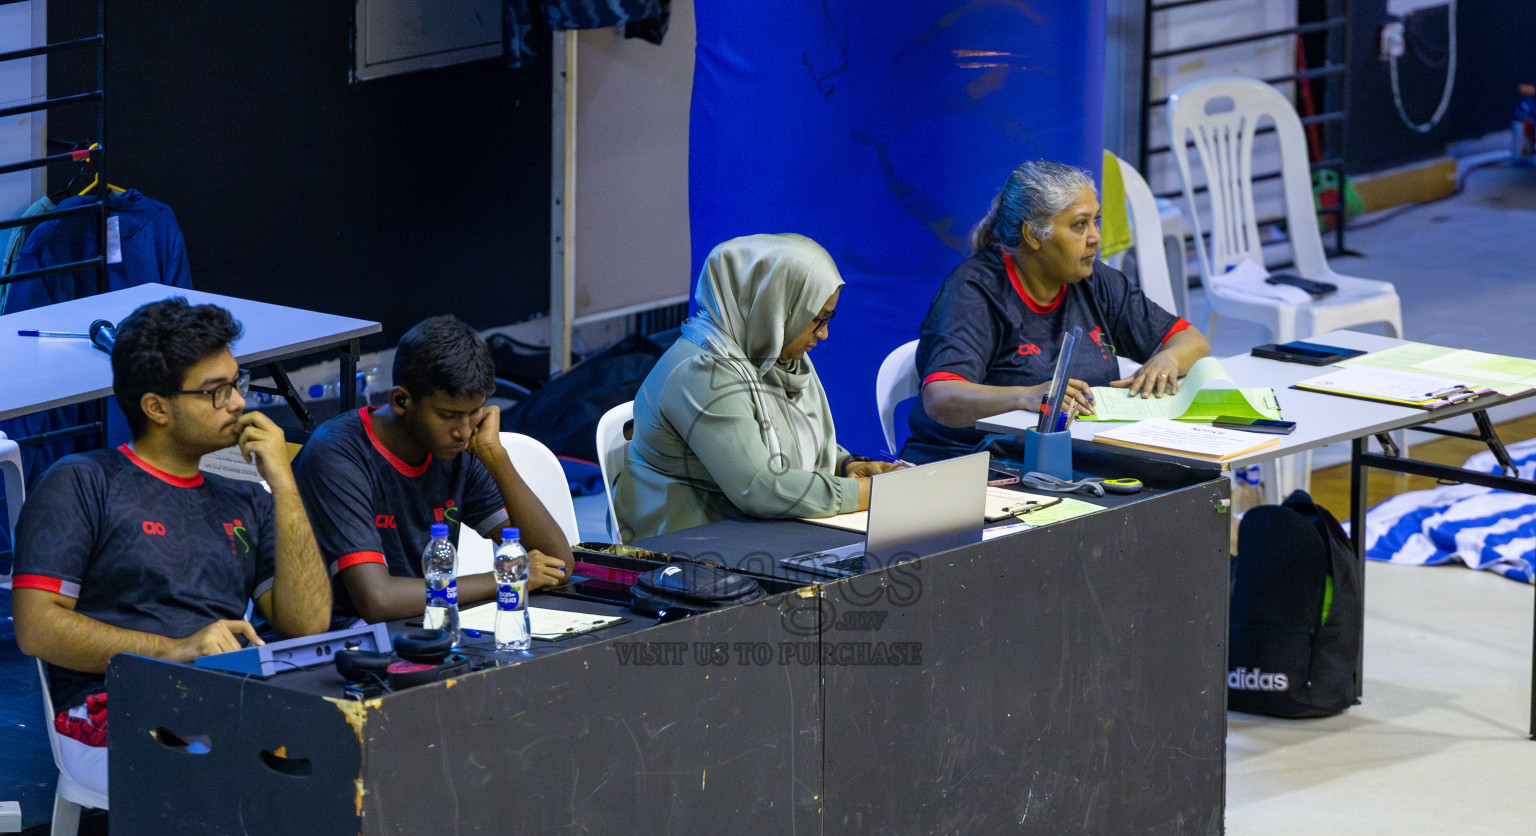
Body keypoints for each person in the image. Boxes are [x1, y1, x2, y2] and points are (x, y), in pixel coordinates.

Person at [11, 298, 332, 794]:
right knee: (251, 771)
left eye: (237, 383)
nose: (239, 403)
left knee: (348, 751)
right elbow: (36, 628)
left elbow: (308, 623)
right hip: (113, 706)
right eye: (216, 393)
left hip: (224, 701)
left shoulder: (248, 499)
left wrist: (284, 484)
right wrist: (178, 651)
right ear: (156, 407)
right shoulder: (82, 481)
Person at [903, 159, 1211, 462]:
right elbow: (941, 398)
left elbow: (1193, 342)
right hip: (977, 462)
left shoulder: (1093, 279)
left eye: (1096, 221)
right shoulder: (973, 292)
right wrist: (1025, 396)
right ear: (1033, 235)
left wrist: (1167, 359)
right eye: (1080, 225)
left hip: (1075, 455)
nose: (1095, 237)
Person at [293, 315, 574, 626]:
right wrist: (504, 578)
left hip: (424, 623)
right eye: (448, 415)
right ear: (401, 401)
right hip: (338, 642)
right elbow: (377, 600)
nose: (465, 432)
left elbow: (557, 565)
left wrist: (496, 457)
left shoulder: (460, 450)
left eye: (473, 413)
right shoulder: (337, 454)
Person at [614, 233, 896, 541]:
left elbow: (782, 435)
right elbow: (759, 487)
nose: (824, 334)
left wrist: (845, 464)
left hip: (750, 534)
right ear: (776, 306)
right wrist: (863, 494)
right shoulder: (701, 371)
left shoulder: (774, 355)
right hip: (688, 549)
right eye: (817, 319)